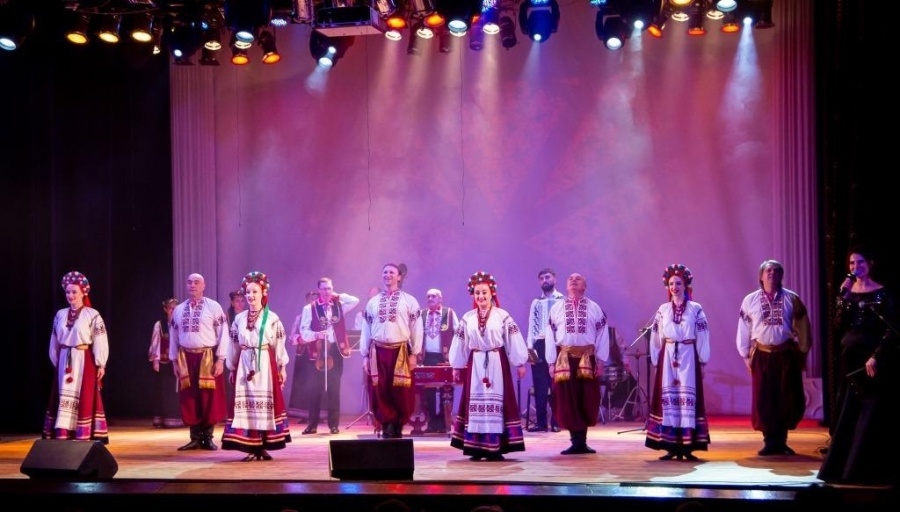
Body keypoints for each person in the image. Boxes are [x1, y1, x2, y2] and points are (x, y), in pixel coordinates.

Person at [818, 247, 899, 486]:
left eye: (860, 262)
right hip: (849, 355)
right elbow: (838, 324)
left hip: (869, 357)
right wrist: (842, 297)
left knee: (870, 408)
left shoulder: (882, 293)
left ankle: (863, 468)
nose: (855, 267)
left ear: (870, 263)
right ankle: (842, 468)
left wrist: (876, 356)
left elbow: (891, 330)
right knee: (848, 408)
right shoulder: (847, 292)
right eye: (852, 263)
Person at [449, 271, 528, 461]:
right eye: (477, 293)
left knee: (496, 403)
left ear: (492, 292)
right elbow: (460, 342)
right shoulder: (468, 318)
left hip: (496, 361)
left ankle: (496, 447)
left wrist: (520, 363)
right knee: (476, 403)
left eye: (484, 292)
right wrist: (456, 366)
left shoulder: (502, 316)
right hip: (475, 362)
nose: (480, 296)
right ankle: (476, 448)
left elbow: (513, 339)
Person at [736, 259, 811, 456]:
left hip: (785, 354)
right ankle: (769, 441)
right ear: (761, 276)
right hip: (762, 355)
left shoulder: (791, 298)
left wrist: (802, 353)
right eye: (768, 271)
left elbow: (803, 327)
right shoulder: (750, 300)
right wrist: (745, 355)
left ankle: (781, 441)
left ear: (781, 276)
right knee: (764, 398)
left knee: (786, 397)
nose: (771, 274)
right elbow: (744, 328)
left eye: (776, 271)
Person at [221, 271, 291, 461]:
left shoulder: (272, 318)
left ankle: (262, 446)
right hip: (244, 363)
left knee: (264, 404)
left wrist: (282, 367)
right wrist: (232, 367)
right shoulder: (239, 318)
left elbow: (279, 344)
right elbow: (233, 344)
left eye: (255, 292)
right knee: (248, 403)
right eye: (248, 292)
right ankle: (251, 446)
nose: (250, 296)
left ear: (263, 293)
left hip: (265, 364)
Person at [645, 264, 711, 461]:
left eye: (678, 283)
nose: (674, 287)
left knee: (686, 399)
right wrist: (656, 360)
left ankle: (687, 447)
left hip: (688, 354)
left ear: (686, 285)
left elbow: (703, 335)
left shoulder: (696, 309)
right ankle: (670, 446)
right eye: (671, 283)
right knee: (670, 398)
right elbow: (656, 336)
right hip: (668, 356)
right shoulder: (663, 309)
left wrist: (703, 361)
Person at [545, 272, 609, 455]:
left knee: (586, 397)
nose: (573, 280)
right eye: (570, 279)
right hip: (565, 359)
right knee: (567, 399)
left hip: (587, 358)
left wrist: (601, 361)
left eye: (578, 279)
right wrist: (551, 362)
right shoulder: (556, 308)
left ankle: (582, 442)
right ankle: (575, 441)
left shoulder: (594, 308)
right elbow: (550, 336)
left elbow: (602, 335)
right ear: (566, 286)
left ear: (584, 286)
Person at [43, 270, 110, 442]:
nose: (70, 295)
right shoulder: (60, 314)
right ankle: (63, 433)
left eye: (74, 292)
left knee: (84, 396)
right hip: (65, 359)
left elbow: (100, 339)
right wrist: (57, 360)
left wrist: (101, 364)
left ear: (83, 292)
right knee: (62, 396)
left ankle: (82, 434)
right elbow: (54, 340)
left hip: (83, 359)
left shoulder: (92, 314)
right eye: (68, 292)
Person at [360, 263, 424, 439]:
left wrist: (414, 353)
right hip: (378, 351)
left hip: (400, 351)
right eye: (385, 272)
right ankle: (387, 424)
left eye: (391, 272)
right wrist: (365, 355)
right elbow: (366, 329)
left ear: (399, 277)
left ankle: (398, 424)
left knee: (401, 390)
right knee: (380, 389)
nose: (387, 275)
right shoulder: (373, 302)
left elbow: (417, 327)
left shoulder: (409, 301)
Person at [169, 272, 230, 451]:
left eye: (196, 282)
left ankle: (208, 437)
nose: (192, 285)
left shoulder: (213, 307)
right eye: (189, 282)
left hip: (207, 357)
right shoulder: (179, 309)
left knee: (208, 397)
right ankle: (194, 438)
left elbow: (223, 334)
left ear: (204, 286)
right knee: (190, 397)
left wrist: (220, 360)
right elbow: (173, 336)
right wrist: (174, 361)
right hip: (186, 358)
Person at [299, 277, 360, 435]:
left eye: (329, 289)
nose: (327, 292)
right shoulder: (309, 308)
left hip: (335, 351)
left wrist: (337, 295)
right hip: (318, 350)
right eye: (324, 289)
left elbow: (355, 300)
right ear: (318, 290)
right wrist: (317, 335)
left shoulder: (339, 305)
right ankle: (312, 424)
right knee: (315, 388)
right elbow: (304, 332)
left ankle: (334, 425)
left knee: (334, 388)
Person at [525, 268, 564, 433]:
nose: (545, 280)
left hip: (557, 343)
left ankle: (556, 421)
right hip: (539, 344)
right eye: (541, 278)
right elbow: (531, 327)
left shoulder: (563, 300)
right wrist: (530, 350)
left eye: (547, 277)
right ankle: (541, 423)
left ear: (554, 279)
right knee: (540, 385)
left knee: (556, 385)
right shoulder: (536, 302)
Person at [419, 288, 459, 434]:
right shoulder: (422, 314)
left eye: (434, 296)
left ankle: (444, 421)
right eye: (428, 296)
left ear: (440, 299)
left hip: (444, 358)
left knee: (446, 390)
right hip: (427, 357)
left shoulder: (449, 313)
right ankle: (431, 422)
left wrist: (456, 356)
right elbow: (416, 334)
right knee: (427, 391)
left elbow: (458, 334)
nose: (430, 299)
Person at [148, 297, 183, 428]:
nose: (173, 311)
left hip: (178, 361)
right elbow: (155, 342)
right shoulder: (160, 325)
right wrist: (155, 360)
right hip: (164, 361)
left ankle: (176, 418)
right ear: (165, 310)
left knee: (176, 390)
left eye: (175, 308)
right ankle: (162, 418)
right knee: (163, 390)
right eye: (170, 308)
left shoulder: (181, 324)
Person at [287, 290, 319, 422]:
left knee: (319, 383)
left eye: (315, 299)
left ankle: (319, 414)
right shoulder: (300, 317)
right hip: (304, 355)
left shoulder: (323, 317)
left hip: (319, 354)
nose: (313, 302)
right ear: (306, 301)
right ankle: (304, 415)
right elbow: (291, 337)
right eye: (311, 299)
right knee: (303, 383)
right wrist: (301, 339)